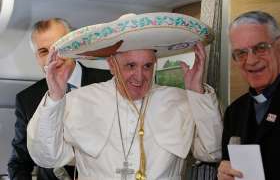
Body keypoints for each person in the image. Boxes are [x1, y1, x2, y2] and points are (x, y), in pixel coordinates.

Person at [27, 13, 222, 180]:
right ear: (112, 65)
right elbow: (46, 157)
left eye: (147, 66)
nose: (139, 76)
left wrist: (197, 91)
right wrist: (55, 96)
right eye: (130, 66)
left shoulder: (180, 100)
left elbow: (211, 152)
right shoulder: (78, 101)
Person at [8, 18, 112, 180]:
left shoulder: (109, 82)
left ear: (74, 47)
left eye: (60, 47)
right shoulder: (27, 99)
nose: (53, 58)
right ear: (36, 57)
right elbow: (19, 162)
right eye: (43, 51)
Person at [218, 11, 280, 180]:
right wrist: (224, 173)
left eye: (260, 48)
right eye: (241, 53)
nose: (251, 61)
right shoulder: (234, 112)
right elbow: (229, 163)